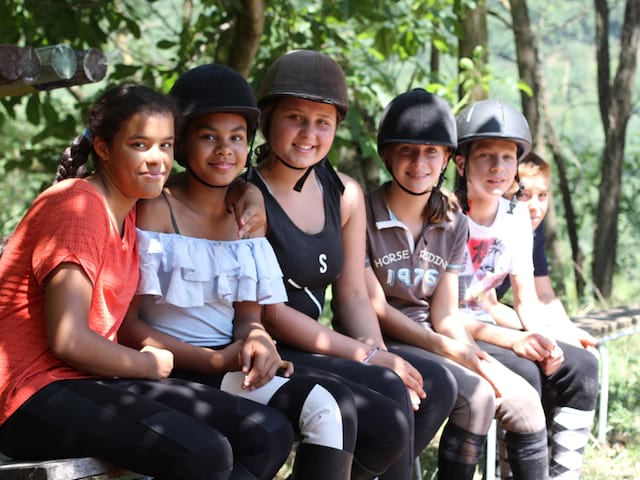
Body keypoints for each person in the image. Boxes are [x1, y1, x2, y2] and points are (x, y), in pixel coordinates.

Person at [0, 84, 294, 480]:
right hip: (27, 396)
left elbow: (217, 187)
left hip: (91, 383)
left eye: (167, 146)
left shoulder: (132, 210)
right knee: (204, 452)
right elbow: (67, 339)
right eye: (141, 145)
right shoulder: (77, 206)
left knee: (268, 433)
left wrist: (249, 191)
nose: (158, 160)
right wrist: (146, 364)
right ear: (103, 148)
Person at [119, 63, 358, 480]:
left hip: (225, 367)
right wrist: (212, 360)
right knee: (271, 432)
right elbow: (127, 324)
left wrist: (258, 341)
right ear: (179, 141)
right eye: (208, 136)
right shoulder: (157, 209)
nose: (225, 149)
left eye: (237, 138)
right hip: (169, 367)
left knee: (331, 405)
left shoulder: (246, 211)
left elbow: (249, 315)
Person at [251, 49, 457, 479]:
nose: (309, 133)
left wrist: (379, 351)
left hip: (314, 342)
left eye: (322, 122)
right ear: (267, 119)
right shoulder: (248, 196)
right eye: (295, 118)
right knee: (387, 386)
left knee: (432, 383)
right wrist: (367, 357)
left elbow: (353, 294)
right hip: (268, 346)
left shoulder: (343, 193)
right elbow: (269, 310)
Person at [365, 88, 558, 479]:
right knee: (478, 395)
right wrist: (452, 348)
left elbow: (445, 312)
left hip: (435, 332)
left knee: (523, 404)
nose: (420, 163)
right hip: (389, 337)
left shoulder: (450, 220)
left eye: (431, 152)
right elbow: (374, 308)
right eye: (407, 150)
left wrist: (472, 354)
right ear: (386, 154)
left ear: (445, 160)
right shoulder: (362, 211)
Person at [454, 99, 599, 480]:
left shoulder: (517, 218)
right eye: (485, 156)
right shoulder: (446, 215)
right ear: (460, 162)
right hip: (453, 332)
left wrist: (544, 338)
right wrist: (519, 341)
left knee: (581, 366)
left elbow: (526, 300)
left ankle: (562, 474)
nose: (498, 167)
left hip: (492, 326)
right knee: (526, 373)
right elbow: (443, 312)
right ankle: (513, 473)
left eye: (507, 157)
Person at [494, 152, 598, 350]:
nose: (535, 207)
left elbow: (543, 294)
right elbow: (484, 303)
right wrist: (550, 332)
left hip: (509, 315)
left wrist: (569, 329)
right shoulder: (489, 227)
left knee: (580, 350)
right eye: (523, 195)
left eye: (542, 196)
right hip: (475, 318)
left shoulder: (533, 230)